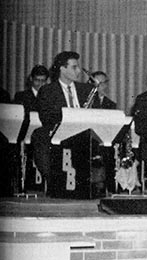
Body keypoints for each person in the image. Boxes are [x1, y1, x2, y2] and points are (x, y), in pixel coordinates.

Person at [31, 51, 94, 181]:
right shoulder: (47, 90)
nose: (78, 71)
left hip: (84, 130)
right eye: (74, 67)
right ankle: (54, 180)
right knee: (39, 135)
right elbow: (46, 117)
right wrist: (69, 118)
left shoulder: (86, 90)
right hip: (60, 129)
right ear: (62, 69)